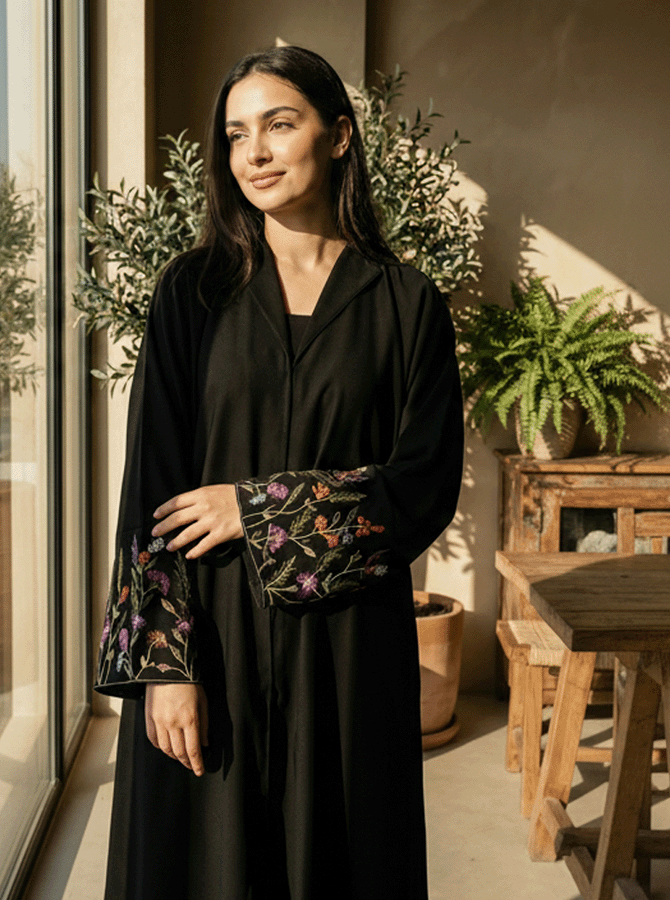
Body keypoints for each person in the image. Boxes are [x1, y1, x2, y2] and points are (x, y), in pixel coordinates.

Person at [95, 45, 464, 900]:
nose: (253, 152)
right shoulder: (191, 293)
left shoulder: (406, 304)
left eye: (278, 124)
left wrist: (257, 509)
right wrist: (165, 668)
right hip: (210, 641)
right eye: (235, 135)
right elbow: (150, 488)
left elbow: (422, 485)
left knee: (339, 863)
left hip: (348, 657)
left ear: (339, 136)